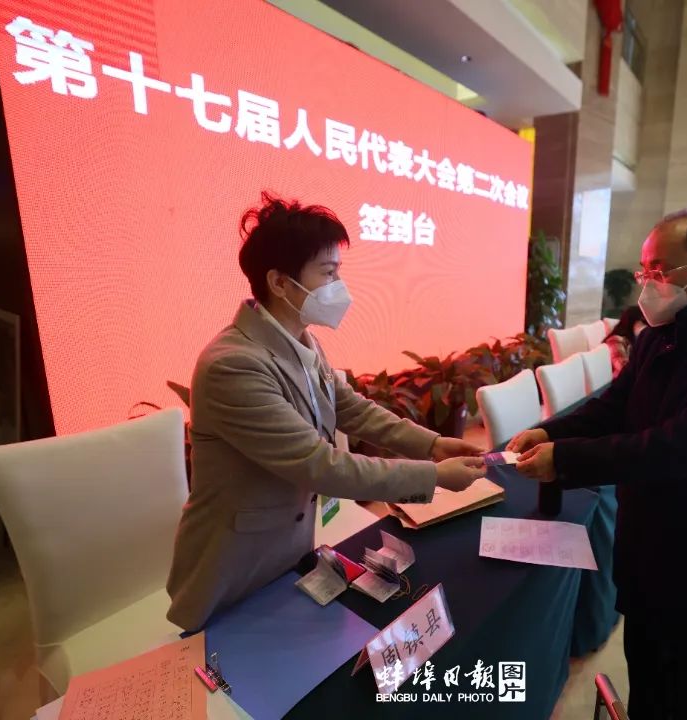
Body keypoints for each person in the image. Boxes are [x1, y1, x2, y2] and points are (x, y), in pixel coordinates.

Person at [509, 209, 687, 719]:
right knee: (647, 683)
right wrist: (552, 432)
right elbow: (616, 405)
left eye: (661, 271)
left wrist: (566, 459)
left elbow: (686, 446)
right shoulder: (665, 330)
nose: (648, 284)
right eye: (645, 271)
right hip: (647, 551)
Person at [166, 194, 486, 631]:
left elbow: (349, 407)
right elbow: (319, 464)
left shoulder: (301, 338)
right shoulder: (233, 366)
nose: (339, 286)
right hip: (234, 568)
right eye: (328, 273)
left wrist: (431, 444)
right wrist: (433, 476)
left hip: (287, 553)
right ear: (280, 283)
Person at [603, 305, 647, 375]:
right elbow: (624, 370)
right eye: (644, 322)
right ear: (632, 322)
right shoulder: (615, 341)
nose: (646, 327)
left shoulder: (636, 341)